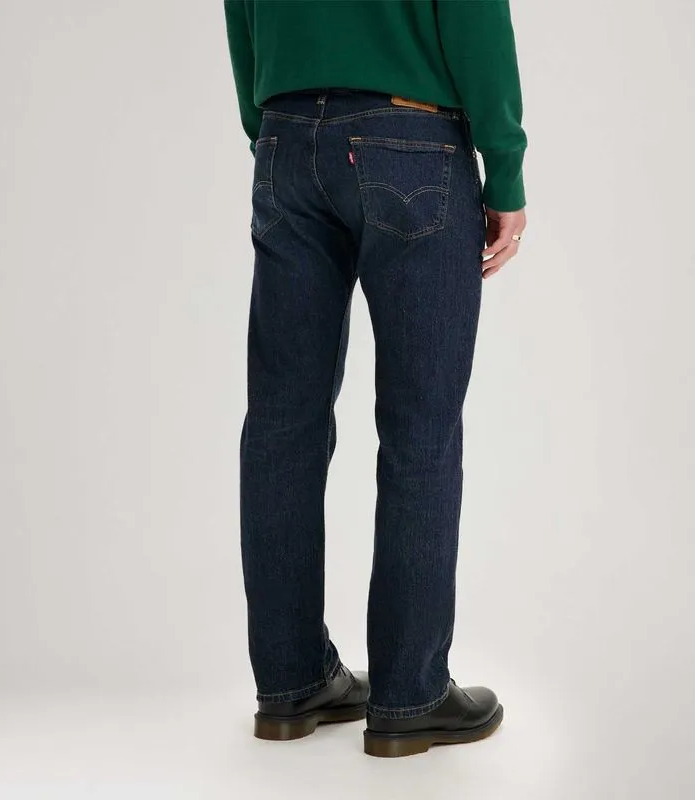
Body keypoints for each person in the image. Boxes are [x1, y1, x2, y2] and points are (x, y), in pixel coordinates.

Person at [224, 0, 527, 758]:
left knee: (281, 423)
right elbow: (474, 13)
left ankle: (290, 683)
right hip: (411, 140)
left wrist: (269, 125)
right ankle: (410, 696)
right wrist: (505, 167)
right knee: (421, 428)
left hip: (287, 133)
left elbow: (239, 13)